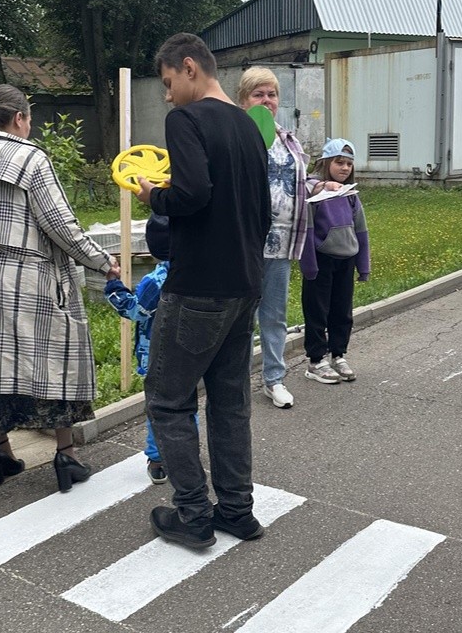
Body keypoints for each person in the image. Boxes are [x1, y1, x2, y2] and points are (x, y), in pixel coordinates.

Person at [0, 84, 119, 492]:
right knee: (53, 354)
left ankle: (0, 451)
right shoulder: (30, 157)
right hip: (25, 274)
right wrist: (102, 261)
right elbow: (59, 225)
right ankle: (66, 456)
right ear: (20, 118)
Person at [135, 32, 270, 550]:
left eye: (168, 83)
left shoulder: (185, 120)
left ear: (189, 67)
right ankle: (237, 510)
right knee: (229, 402)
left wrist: (155, 195)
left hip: (197, 290)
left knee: (168, 401)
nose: (167, 96)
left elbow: (190, 194)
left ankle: (192, 515)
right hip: (244, 285)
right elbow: (260, 209)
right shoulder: (248, 125)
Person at [104, 213, 198, 484]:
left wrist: (113, 286)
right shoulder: (196, 271)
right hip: (191, 351)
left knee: (159, 408)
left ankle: (158, 460)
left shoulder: (156, 281)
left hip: (160, 353)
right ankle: (187, 451)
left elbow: (134, 311)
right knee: (187, 403)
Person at [236, 67, 310, 410]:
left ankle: (273, 380)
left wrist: (321, 186)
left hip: (280, 242)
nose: (266, 101)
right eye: (258, 94)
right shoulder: (235, 134)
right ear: (244, 99)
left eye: (271, 94)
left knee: (274, 314)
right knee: (239, 315)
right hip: (243, 243)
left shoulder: (287, 138)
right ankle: (233, 380)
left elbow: (292, 185)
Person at [299, 138, 370, 384]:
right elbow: (307, 229)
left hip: (346, 259)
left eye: (349, 164)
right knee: (317, 310)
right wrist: (308, 264)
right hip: (321, 260)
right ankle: (316, 360)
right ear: (326, 163)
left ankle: (338, 354)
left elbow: (361, 231)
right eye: (339, 162)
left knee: (342, 310)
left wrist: (363, 265)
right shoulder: (314, 190)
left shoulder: (350, 195)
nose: (345, 168)